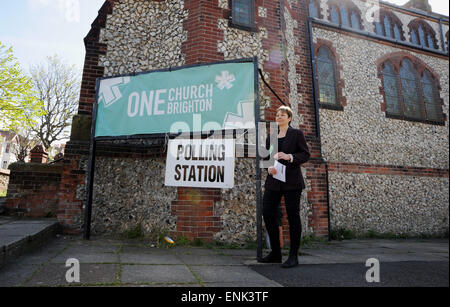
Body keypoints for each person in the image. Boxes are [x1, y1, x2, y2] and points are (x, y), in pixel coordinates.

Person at [259, 106, 310, 268]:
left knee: (292, 215)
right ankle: (276, 253)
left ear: (289, 118)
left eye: (283, 115)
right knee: (267, 212)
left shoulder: (296, 134)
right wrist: (268, 167)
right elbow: (266, 158)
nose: (279, 117)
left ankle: (293, 255)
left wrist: (289, 157)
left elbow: (305, 154)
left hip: (292, 181)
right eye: (277, 115)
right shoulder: (271, 136)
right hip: (274, 180)